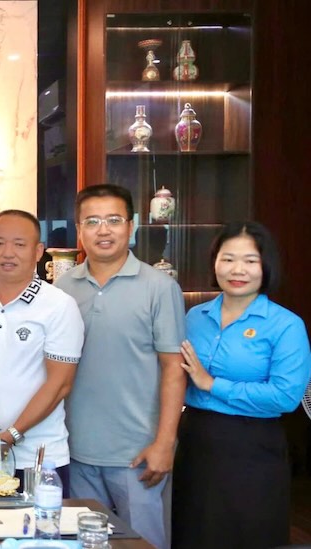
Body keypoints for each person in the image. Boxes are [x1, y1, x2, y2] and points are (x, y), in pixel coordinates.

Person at [54, 184, 186, 549]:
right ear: (79, 230)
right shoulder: (62, 288)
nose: (103, 230)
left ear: (132, 226)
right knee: (80, 543)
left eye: (113, 220)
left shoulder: (159, 287)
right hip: (76, 450)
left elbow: (174, 368)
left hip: (138, 454)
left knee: (143, 544)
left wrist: (164, 442)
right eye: (92, 221)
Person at [172, 221, 311, 549]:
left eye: (250, 261)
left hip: (252, 446)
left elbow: (285, 397)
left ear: (266, 266)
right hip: (196, 439)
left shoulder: (286, 325)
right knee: (192, 532)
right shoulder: (194, 317)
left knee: (245, 535)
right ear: (214, 262)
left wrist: (212, 384)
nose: (238, 269)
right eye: (228, 258)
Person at [0, 210, 84, 494]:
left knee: (35, 535)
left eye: (19, 244)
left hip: (38, 458)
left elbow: (59, 383)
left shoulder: (59, 305)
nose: (8, 253)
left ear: (38, 251)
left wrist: (10, 435)